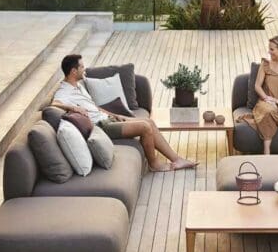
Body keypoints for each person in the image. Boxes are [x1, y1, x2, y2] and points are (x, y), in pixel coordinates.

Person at [52, 54, 197, 172]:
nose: (85, 69)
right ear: (73, 71)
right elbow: (54, 104)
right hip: (101, 126)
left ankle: (177, 160)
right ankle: (154, 164)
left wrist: (116, 115)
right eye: (82, 67)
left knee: (149, 122)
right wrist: (72, 108)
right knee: (145, 127)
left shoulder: (78, 85)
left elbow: (94, 107)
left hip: (107, 118)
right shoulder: (64, 91)